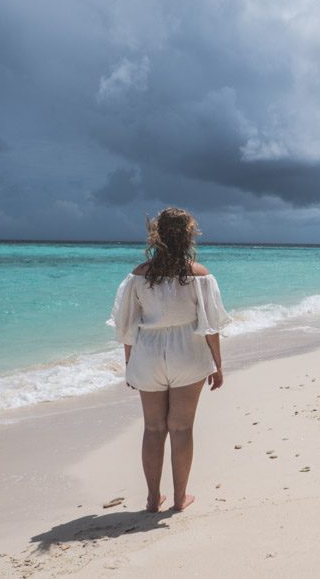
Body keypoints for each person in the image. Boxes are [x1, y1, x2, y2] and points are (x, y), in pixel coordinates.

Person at [108, 207, 230, 512]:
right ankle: (179, 498)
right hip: (188, 352)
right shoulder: (199, 275)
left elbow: (126, 326)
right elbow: (210, 326)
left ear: (156, 235)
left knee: (152, 429)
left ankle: (152, 499)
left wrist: (130, 365)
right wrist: (218, 364)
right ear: (188, 235)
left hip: (147, 353)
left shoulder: (138, 275)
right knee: (181, 428)